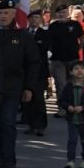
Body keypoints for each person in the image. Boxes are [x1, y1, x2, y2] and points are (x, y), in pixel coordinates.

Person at [0, 0, 41, 168]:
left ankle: (10, 161)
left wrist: (29, 88)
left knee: (8, 122)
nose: (3, 16)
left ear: (13, 14)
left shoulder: (23, 35)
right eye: (0, 13)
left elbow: (33, 63)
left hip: (13, 87)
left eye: (6, 13)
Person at [57, 60, 84, 168]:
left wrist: (83, 108)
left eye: (82, 69)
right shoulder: (69, 86)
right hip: (72, 119)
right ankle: (70, 161)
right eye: (76, 68)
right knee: (72, 140)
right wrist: (68, 106)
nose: (80, 71)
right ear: (71, 72)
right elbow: (61, 100)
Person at [46, 5, 84, 114]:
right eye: (59, 13)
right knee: (61, 84)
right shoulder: (53, 26)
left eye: (63, 12)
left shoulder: (75, 24)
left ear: (68, 13)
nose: (61, 14)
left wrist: (79, 47)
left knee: (73, 83)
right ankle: (62, 108)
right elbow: (48, 41)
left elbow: (82, 37)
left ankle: (75, 105)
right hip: (57, 60)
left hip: (73, 59)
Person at [24, 8, 51, 136]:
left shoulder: (44, 34)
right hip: (25, 70)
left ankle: (41, 125)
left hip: (40, 71)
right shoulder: (24, 33)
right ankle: (30, 124)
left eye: (36, 18)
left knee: (39, 99)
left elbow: (44, 48)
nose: (34, 20)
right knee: (27, 99)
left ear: (40, 20)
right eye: (32, 18)